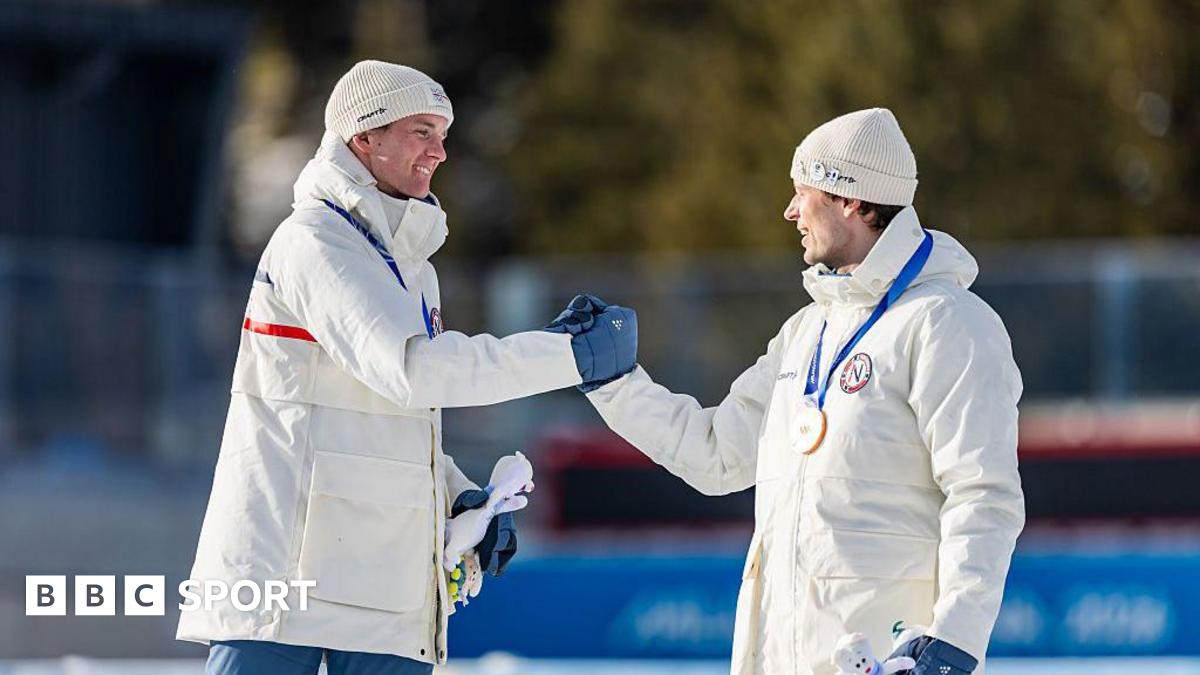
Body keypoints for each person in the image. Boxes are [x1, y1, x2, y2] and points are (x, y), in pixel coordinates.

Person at [177, 60, 637, 675]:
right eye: (422, 131)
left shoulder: (414, 266)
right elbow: (412, 372)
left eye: (443, 134)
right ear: (362, 138)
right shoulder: (315, 240)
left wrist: (453, 498)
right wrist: (567, 356)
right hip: (285, 582)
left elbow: (395, 413)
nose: (440, 152)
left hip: (384, 593)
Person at [571, 108, 1025, 674]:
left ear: (852, 201)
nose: (789, 211)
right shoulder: (806, 331)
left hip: (891, 661)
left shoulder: (948, 323)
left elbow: (983, 494)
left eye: (802, 192)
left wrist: (954, 641)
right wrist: (616, 385)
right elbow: (718, 455)